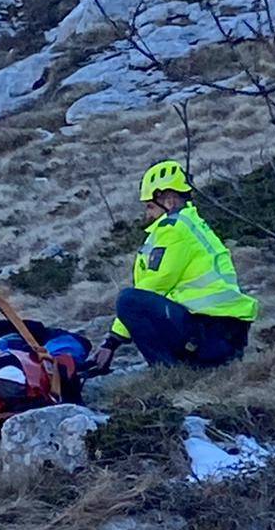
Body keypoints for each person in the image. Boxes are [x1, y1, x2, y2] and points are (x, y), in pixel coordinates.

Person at [90, 160, 258, 373]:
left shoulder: (174, 230)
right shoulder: (191, 224)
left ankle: (169, 372)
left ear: (168, 201)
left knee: (130, 300)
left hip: (210, 335)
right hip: (223, 334)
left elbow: (152, 286)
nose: (147, 214)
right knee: (136, 301)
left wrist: (111, 343)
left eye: (150, 206)